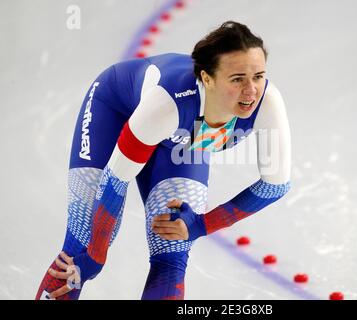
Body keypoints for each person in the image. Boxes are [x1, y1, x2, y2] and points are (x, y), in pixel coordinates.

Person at [35, 20, 291, 300]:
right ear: (208, 79)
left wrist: (201, 225)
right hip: (117, 109)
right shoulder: (166, 105)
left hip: (178, 141)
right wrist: (96, 255)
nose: (251, 90)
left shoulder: (267, 102)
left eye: (258, 76)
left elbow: (274, 186)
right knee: (81, 247)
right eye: (237, 78)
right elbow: (115, 180)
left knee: (172, 251)